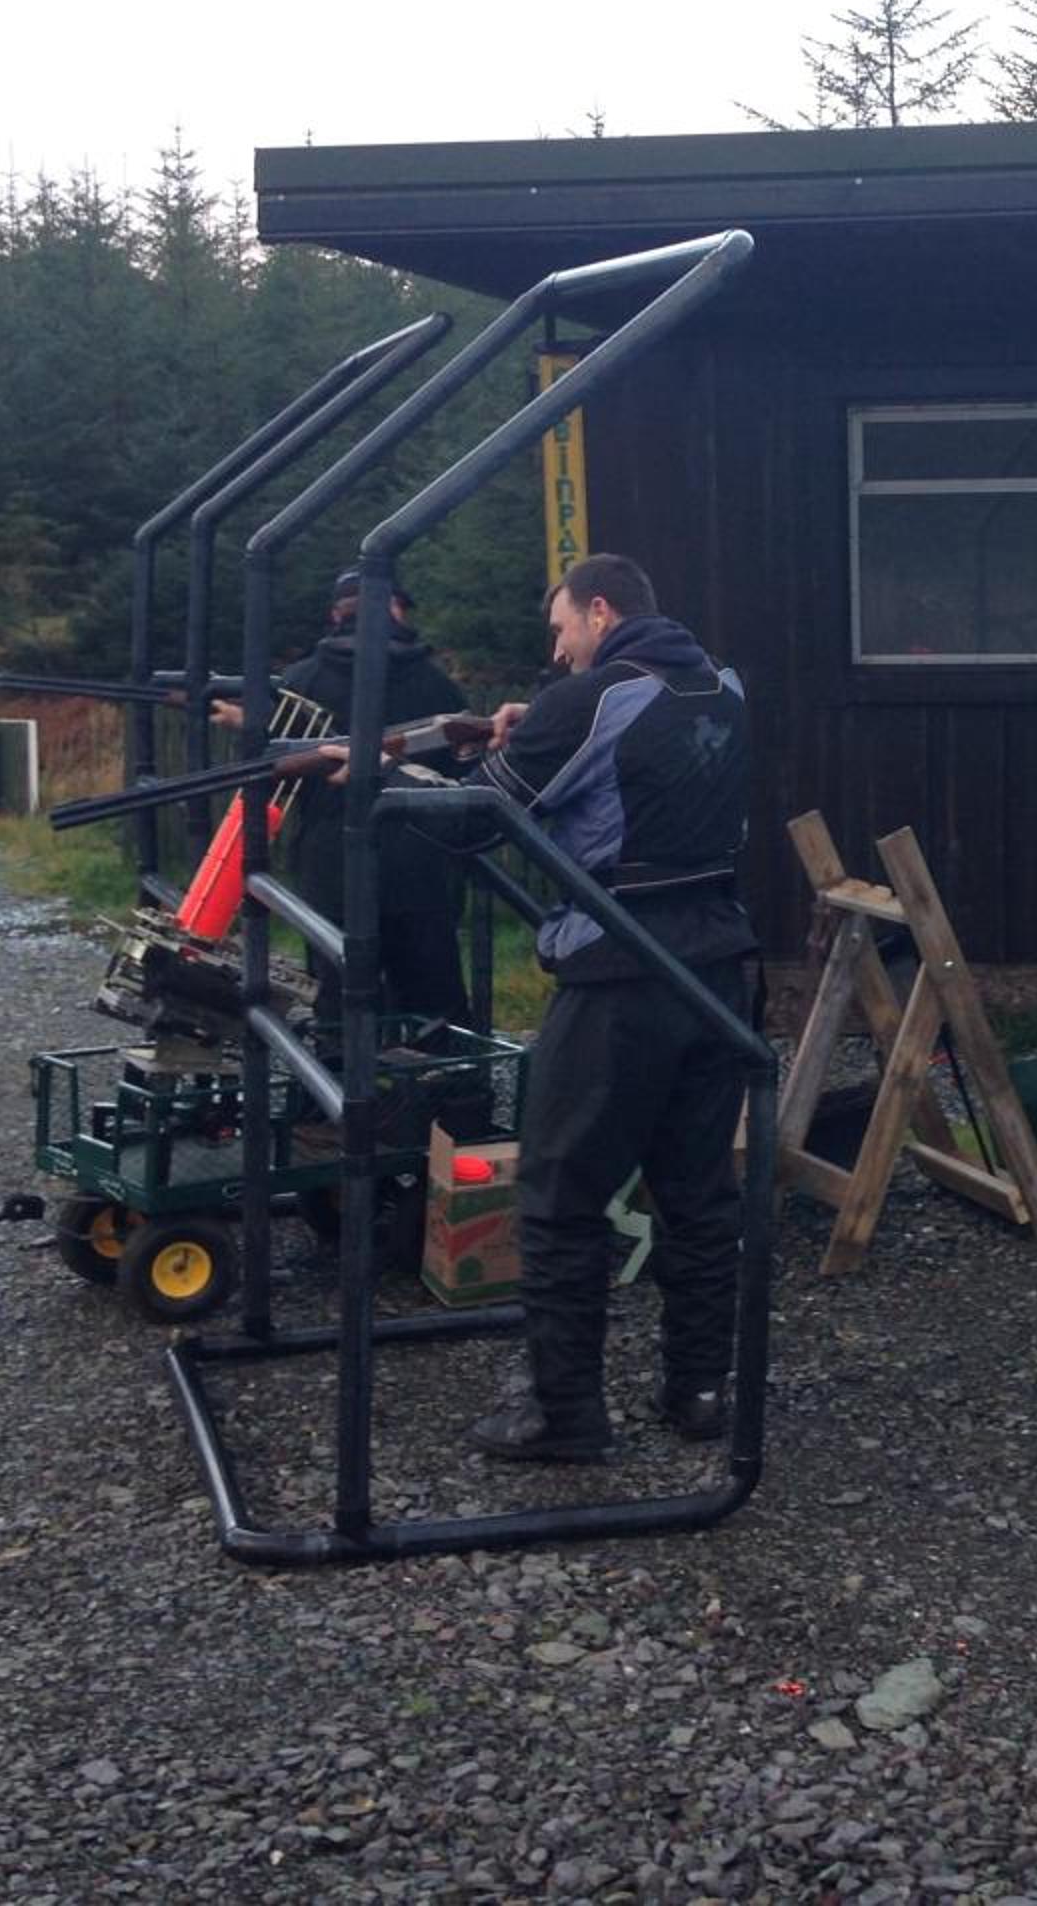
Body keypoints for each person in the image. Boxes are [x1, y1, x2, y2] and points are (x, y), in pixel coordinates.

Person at [463, 554, 756, 1464]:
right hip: (719, 966)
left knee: (560, 1194)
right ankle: (699, 1391)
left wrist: (494, 749)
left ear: (601, 612)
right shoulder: (727, 688)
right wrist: (536, 728)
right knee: (698, 1196)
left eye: (562, 630)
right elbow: (642, 765)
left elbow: (480, 814)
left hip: (620, 972)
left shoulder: (583, 701)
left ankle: (566, 1415)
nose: (558, 651)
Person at [220, 568, 473, 1033]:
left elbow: (270, 777)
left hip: (331, 864)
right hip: (421, 867)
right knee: (434, 1006)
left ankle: (340, 1075)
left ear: (337, 614)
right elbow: (459, 781)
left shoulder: (299, 681)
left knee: (339, 1003)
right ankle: (447, 1076)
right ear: (392, 609)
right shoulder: (437, 684)